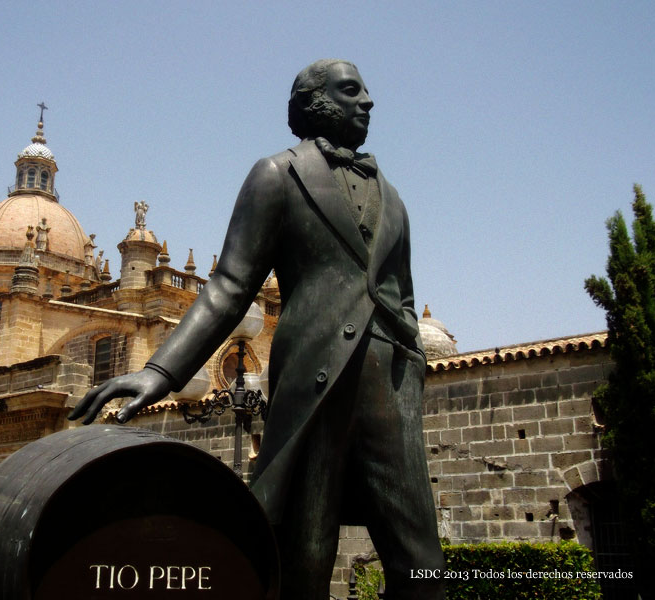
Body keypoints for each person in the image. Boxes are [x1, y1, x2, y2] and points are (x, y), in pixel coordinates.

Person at [69, 59, 445, 599]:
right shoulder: (277, 175)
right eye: (351, 91)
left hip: (389, 386)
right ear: (313, 101)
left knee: (422, 562)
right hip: (314, 381)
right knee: (304, 554)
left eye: (367, 94)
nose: (368, 102)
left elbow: (401, 294)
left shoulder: (393, 198)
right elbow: (229, 285)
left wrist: (409, 360)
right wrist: (160, 371)